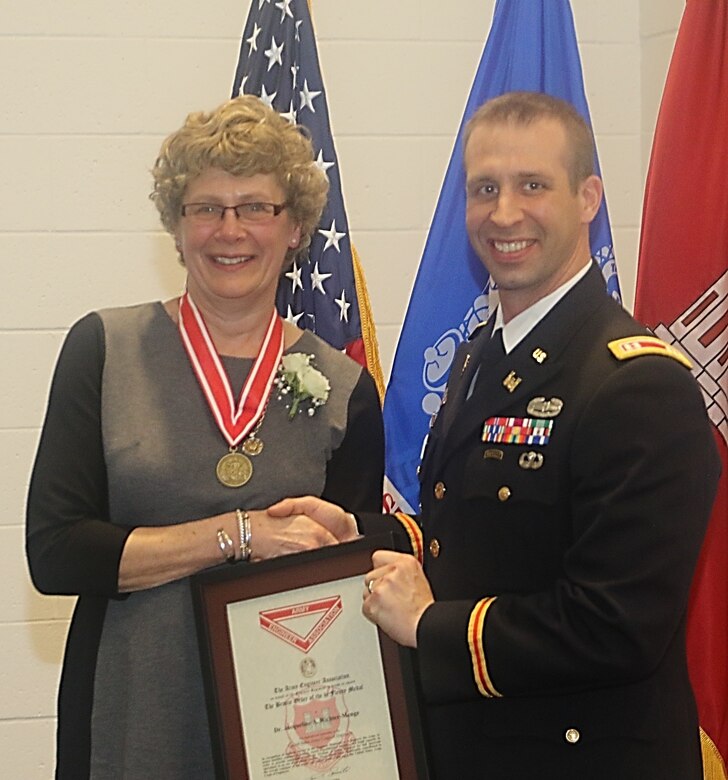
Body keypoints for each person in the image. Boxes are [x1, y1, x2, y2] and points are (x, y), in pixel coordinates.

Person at [270, 92, 721, 779]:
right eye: (485, 188)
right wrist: (354, 538)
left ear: (588, 197)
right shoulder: (484, 353)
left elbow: (615, 627)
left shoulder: (637, 386)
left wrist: (430, 627)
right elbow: (472, 532)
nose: (504, 213)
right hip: (473, 747)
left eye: (532, 185)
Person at [25, 95, 382, 780]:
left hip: (289, 738)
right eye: (206, 207)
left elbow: (347, 580)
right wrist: (240, 534)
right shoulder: (104, 350)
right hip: (130, 721)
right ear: (177, 225)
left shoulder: (345, 389)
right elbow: (57, 554)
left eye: (256, 207)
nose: (230, 229)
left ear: (297, 227)